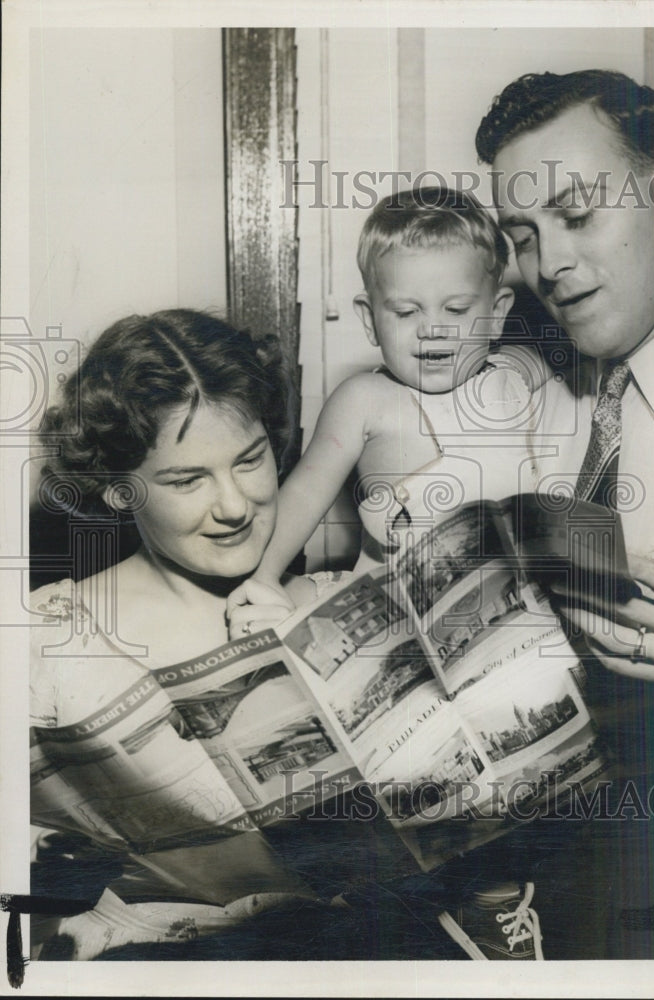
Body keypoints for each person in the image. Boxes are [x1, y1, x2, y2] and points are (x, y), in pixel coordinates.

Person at [463, 68, 654, 959]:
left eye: (576, 215)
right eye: (524, 234)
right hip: (547, 880)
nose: (548, 264)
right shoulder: (531, 404)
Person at [27, 309, 405, 961]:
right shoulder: (43, 638)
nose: (232, 505)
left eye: (250, 460)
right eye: (186, 480)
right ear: (120, 492)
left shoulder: (339, 605)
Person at [232, 186, 541, 610]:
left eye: (456, 310)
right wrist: (264, 576)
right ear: (369, 319)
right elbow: (304, 494)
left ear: (498, 313)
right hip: (387, 609)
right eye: (406, 312)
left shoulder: (518, 380)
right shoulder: (364, 400)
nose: (432, 329)